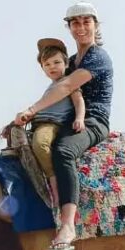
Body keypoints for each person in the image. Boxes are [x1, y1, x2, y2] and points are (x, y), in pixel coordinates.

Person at [8, 2, 113, 250]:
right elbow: (55, 90)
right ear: (69, 27)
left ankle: (68, 225)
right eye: (75, 23)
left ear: (95, 25)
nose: (81, 27)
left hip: (93, 120)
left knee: (63, 151)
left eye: (86, 22)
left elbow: (65, 88)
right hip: (64, 121)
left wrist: (31, 109)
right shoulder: (73, 61)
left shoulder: (98, 57)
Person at [29, 38, 85, 209]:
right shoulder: (51, 87)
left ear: (66, 64)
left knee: (40, 144)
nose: (52, 67)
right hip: (38, 122)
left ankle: (53, 181)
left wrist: (79, 118)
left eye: (56, 62)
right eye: (47, 64)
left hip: (51, 124)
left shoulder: (68, 82)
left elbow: (79, 101)